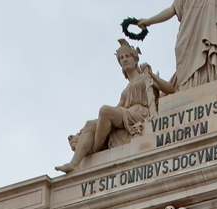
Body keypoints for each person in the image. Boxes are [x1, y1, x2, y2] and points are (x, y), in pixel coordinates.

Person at [56, 40, 173, 174]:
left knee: (104, 111)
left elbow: (170, 89)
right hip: (127, 114)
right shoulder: (126, 90)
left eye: (127, 56)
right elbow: (116, 110)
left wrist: (152, 75)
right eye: (121, 58)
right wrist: (82, 132)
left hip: (141, 114)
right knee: (90, 124)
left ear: (135, 59)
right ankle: (74, 164)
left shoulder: (145, 77)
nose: (124, 60)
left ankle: (95, 149)